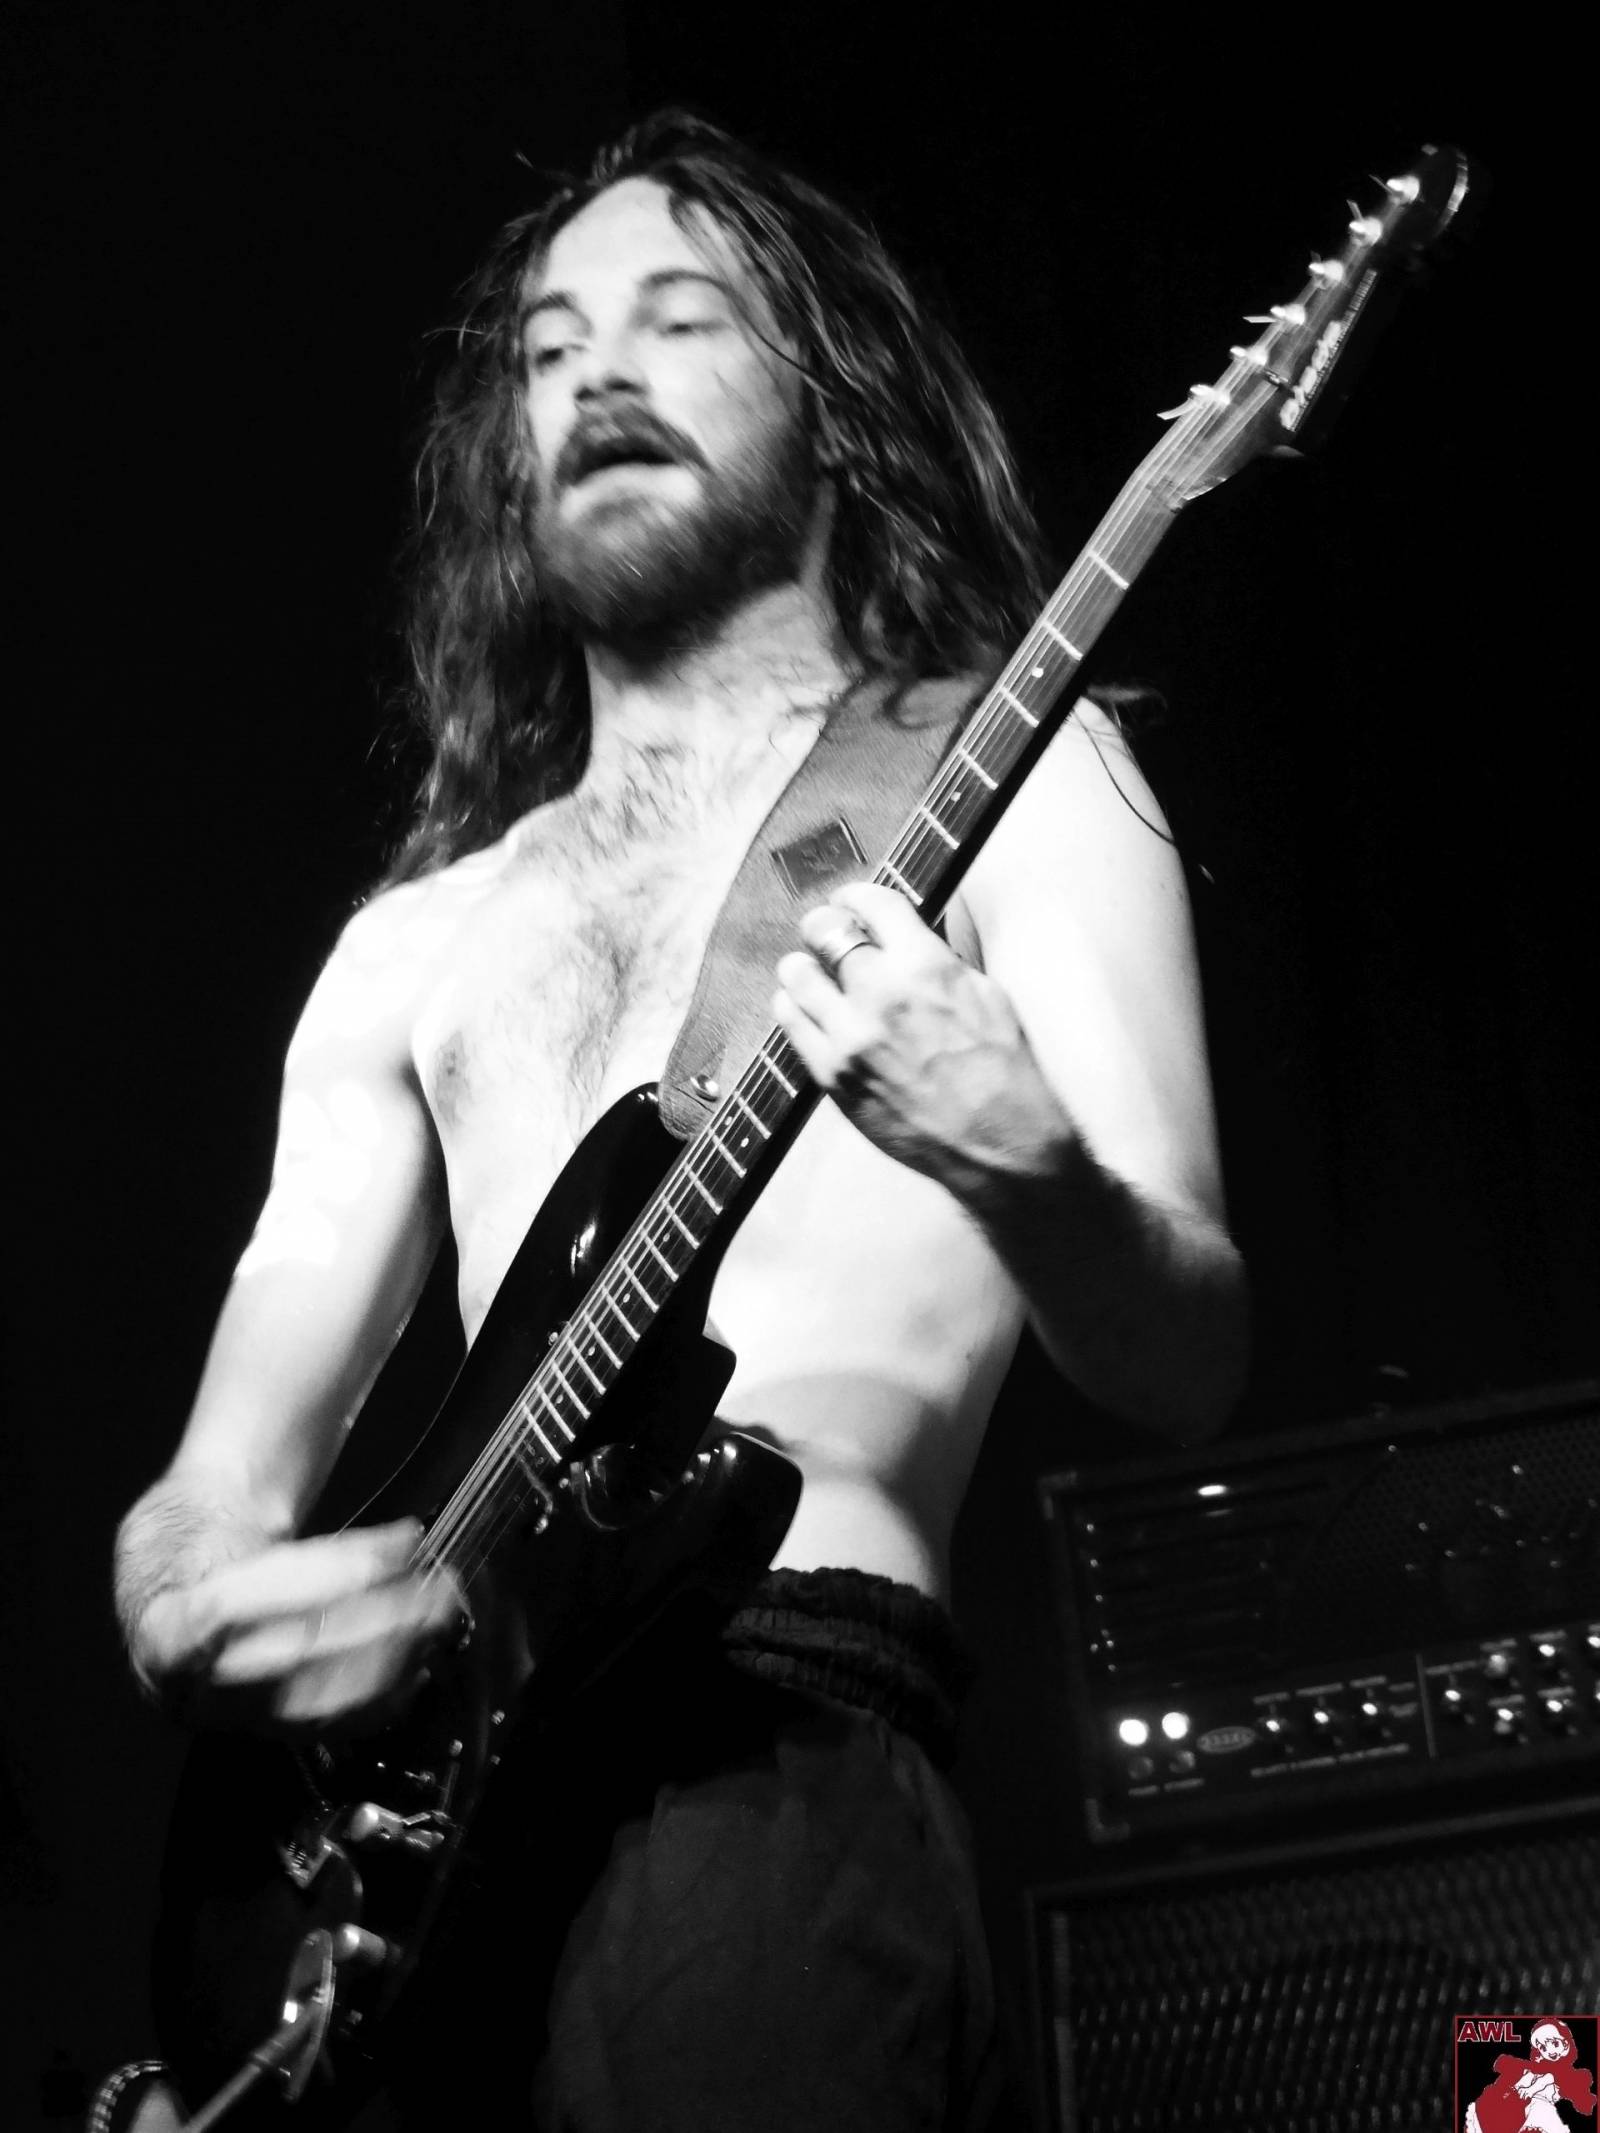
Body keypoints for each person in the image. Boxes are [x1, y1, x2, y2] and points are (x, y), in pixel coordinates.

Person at [114, 110, 1248, 2129]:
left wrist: (1019, 1157)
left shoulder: (1007, 776)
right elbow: (216, 1478)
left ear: (833, 399)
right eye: (549, 347)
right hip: (429, 1842)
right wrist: (186, 1603)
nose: (597, 377)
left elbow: (1183, 1351)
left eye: (677, 318)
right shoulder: (414, 943)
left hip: (770, 1731)